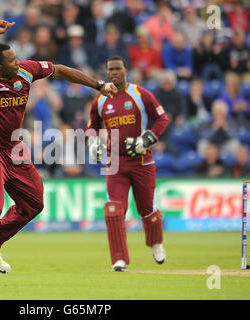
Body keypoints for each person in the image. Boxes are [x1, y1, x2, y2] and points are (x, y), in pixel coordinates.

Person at [0, 20, 117, 287]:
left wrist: (98, 85)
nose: (18, 62)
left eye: (16, 57)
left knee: (34, 203)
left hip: (14, 149)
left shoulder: (26, 70)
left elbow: (60, 70)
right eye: (11, 60)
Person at [86, 56, 169, 272]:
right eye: (110, 69)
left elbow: (162, 119)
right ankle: (119, 259)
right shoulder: (101, 100)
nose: (114, 73)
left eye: (118, 69)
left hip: (142, 160)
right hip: (115, 163)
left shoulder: (140, 94)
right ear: (106, 73)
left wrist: (147, 138)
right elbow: (92, 125)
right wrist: (93, 141)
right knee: (114, 210)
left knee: (147, 210)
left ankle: (155, 242)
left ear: (126, 71)